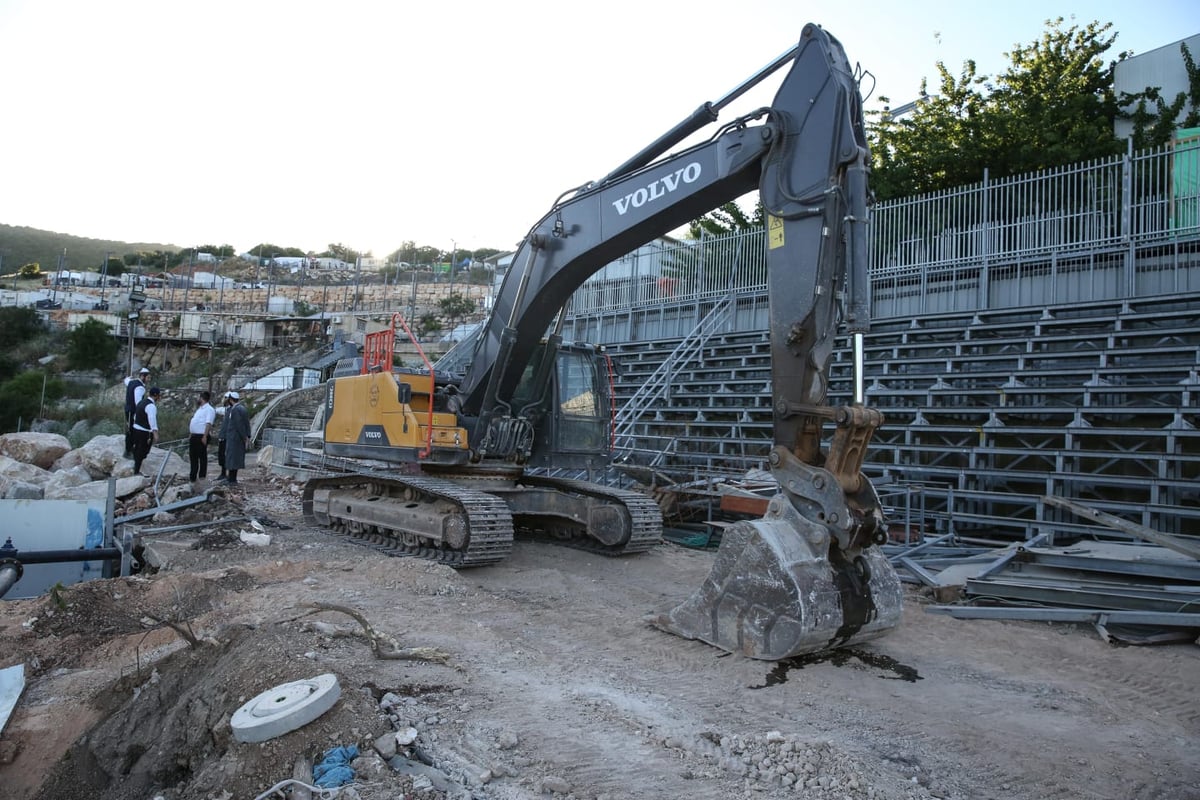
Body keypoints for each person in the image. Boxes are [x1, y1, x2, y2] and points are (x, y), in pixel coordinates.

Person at [221, 391, 251, 485]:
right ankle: (231, 478)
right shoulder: (240, 408)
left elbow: (239, 425)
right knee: (234, 458)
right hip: (236, 438)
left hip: (235, 439)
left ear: (230, 400)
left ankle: (232, 479)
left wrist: (244, 437)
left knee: (232, 459)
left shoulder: (236, 410)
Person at [130, 386, 161, 475]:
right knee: (143, 451)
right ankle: (136, 471)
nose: (159, 397)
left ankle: (135, 468)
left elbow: (136, 416)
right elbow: (152, 420)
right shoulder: (151, 406)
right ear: (156, 395)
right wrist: (155, 433)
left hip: (136, 428)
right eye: (159, 395)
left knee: (137, 450)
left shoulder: (141, 402)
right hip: (144, 432)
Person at [187, 390, 216, 482]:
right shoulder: (200, 409)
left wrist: (205, 436)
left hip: (201, 436)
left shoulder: (209, 409)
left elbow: (208, 423)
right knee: (193, 456)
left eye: (199, 398)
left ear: (202, 399)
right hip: (194, 436)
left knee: (202, 457)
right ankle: (193, 476)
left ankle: (202, 476)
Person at [124, 366, 150, 457]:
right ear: (143, 376)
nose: (148, 379)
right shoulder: (140, 388)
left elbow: (126, 380)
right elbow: (138, 403)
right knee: (131, 430)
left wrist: (129, 378)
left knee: (131, 428)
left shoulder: (131, 382)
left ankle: (130, 449)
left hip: (128, 409)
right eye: (147, 377)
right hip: (133, 411)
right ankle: (128, 451)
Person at [216, 393, 232, 481]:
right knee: (221, 455)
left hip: (228, 437)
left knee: (227, 455)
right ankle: (223, 473)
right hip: (223, 436)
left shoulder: (232, 410)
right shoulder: (226, 410)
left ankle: (227, 474)